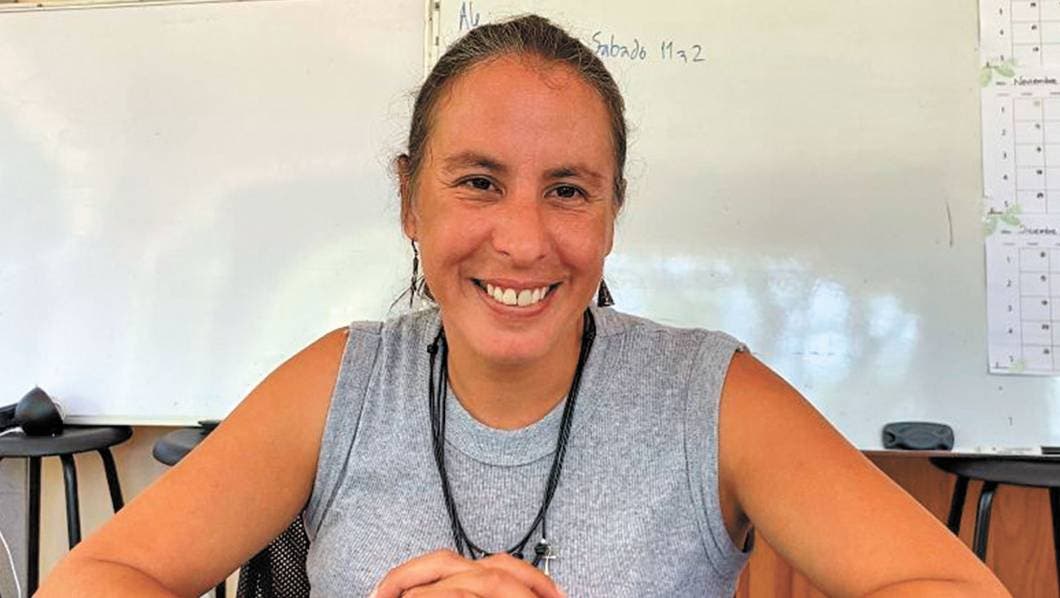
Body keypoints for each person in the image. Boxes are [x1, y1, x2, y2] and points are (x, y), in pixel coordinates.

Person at [41, 14, 1009, 598]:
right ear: (409, 200)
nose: (521, 239)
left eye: (568, 190)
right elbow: (97, 577)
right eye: (478, 182)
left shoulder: (709, 397)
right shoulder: (342, 385)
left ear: (613, 212)